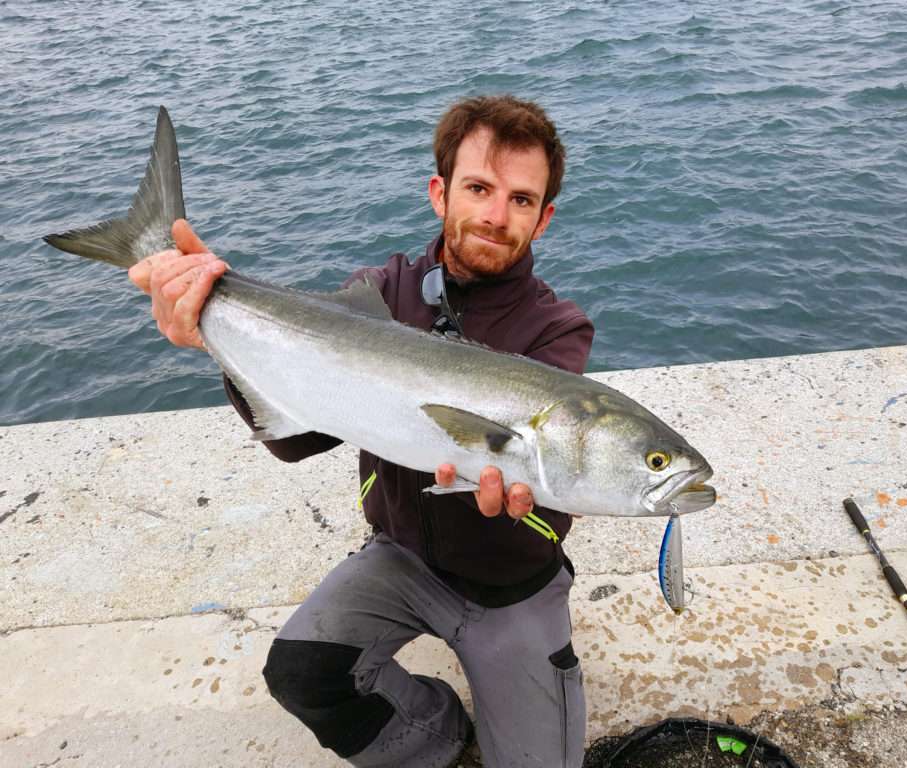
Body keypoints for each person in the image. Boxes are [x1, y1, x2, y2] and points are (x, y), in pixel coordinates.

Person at [128, 96, 595, 768]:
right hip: (400, 558)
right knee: (300, 673)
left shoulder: (557, 330)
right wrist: (215, 336)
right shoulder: (377, 296)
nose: (497, 215)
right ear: (440, 192)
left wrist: (527, 493)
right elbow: (295, 440)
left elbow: (556, 471)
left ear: (544, 217)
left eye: (522, 200)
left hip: (511, 587)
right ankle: (439, 737)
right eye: (478, 189)